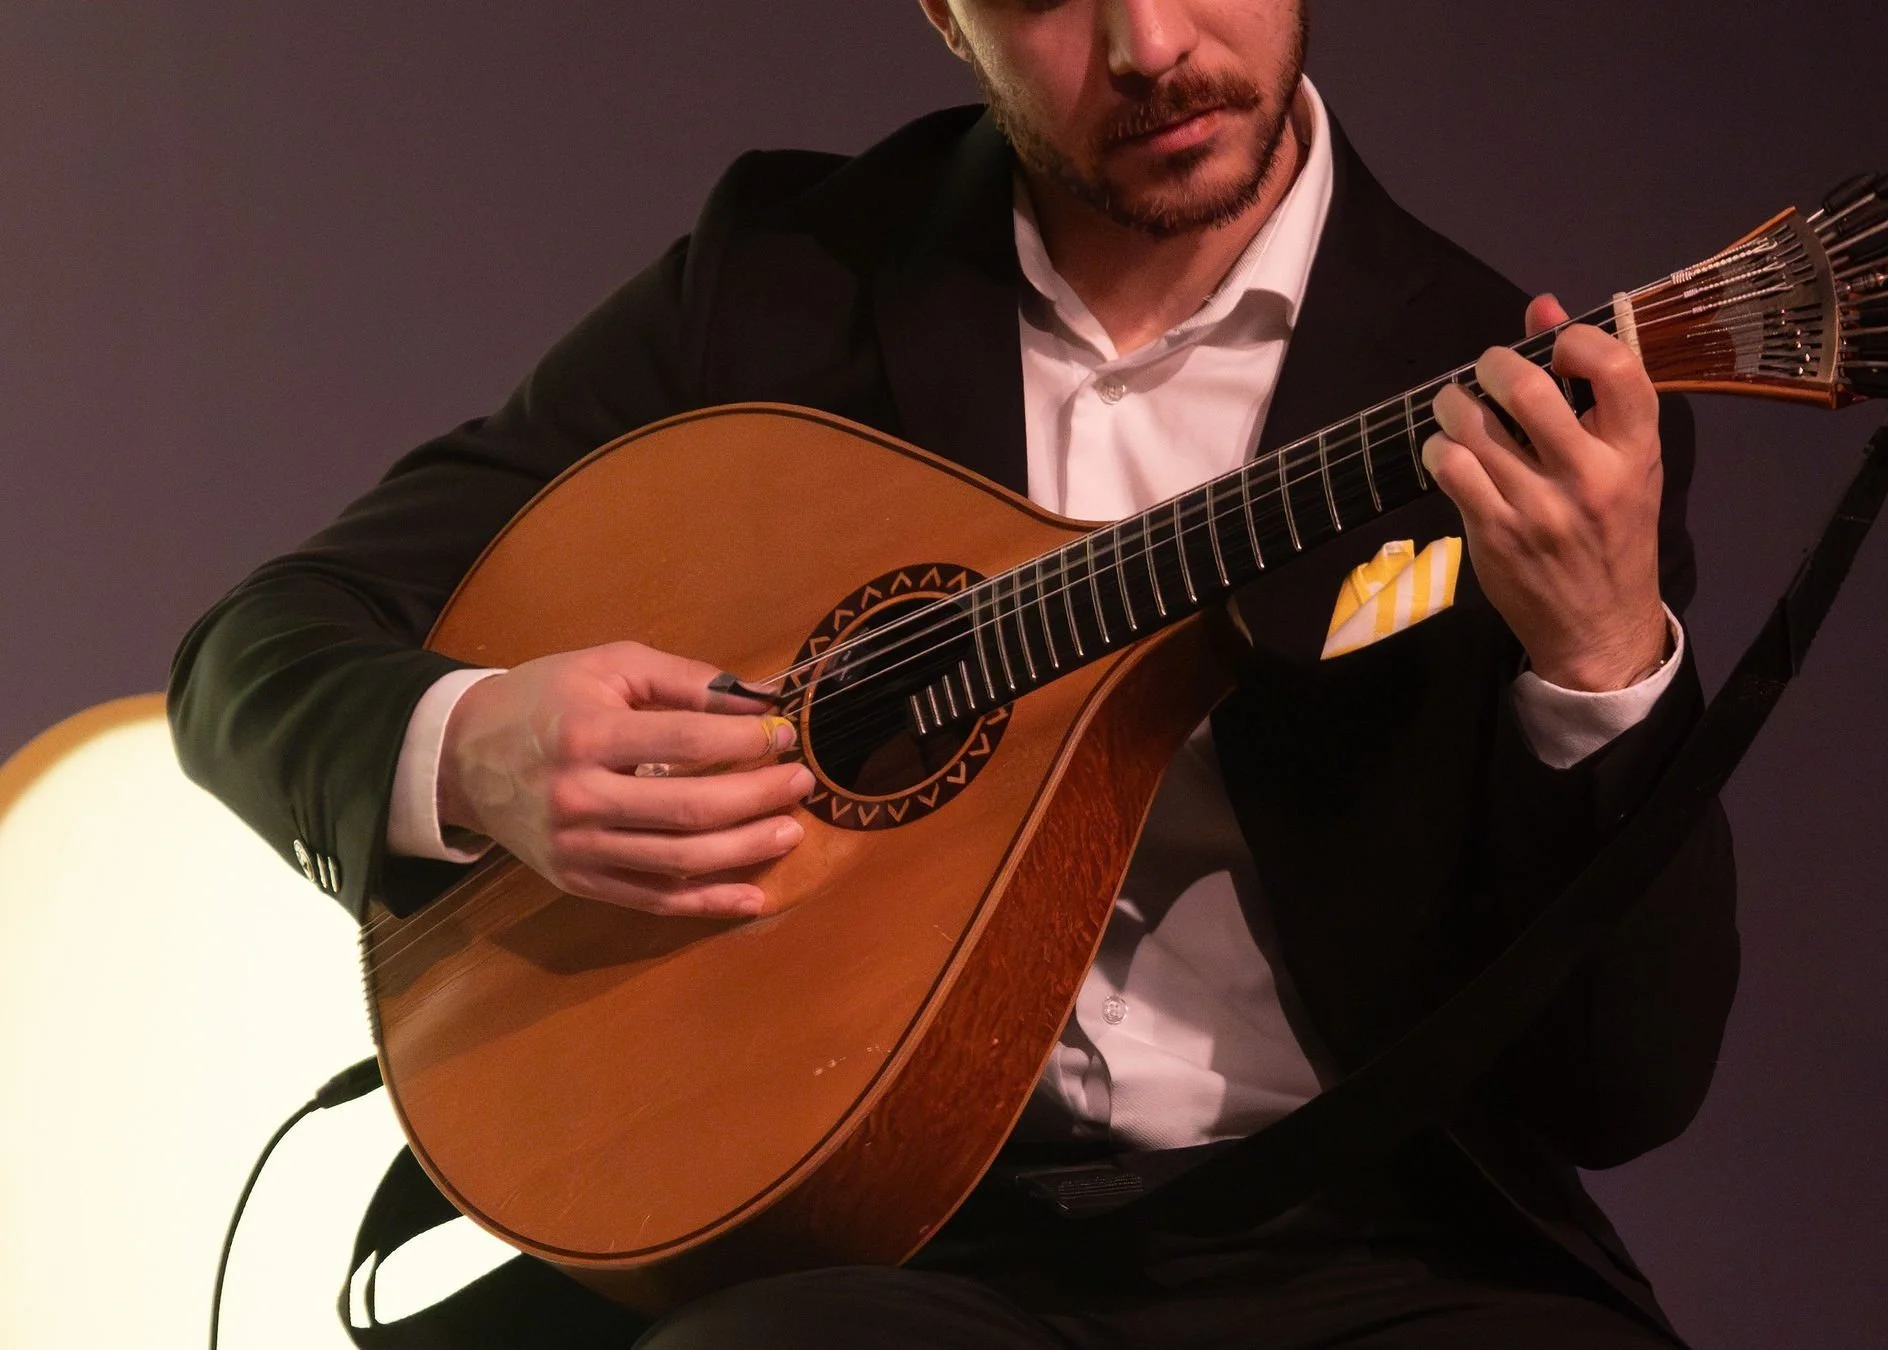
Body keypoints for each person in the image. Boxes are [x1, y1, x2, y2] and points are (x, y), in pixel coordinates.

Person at [170, 1, 1739, 1345]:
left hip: (1370, 1242)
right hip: (876, 1239)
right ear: (942, 12)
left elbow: (1627, 1088)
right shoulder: (786, 279)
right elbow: (261, 648)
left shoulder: (1514, 391)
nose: (1150, 45)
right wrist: (474, 750)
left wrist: (1600, 662)